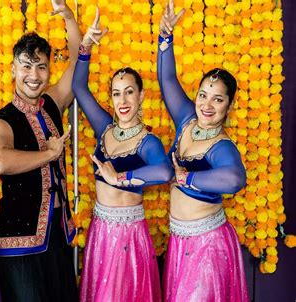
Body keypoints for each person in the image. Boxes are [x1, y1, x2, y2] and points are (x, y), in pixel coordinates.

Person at [72, 8, 173, 302]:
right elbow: (79, 87)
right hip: (101, 230)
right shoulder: (104, 128)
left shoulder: (148, 142)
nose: (123, 100)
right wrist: (87, 45)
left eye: (129, 92)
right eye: (116, 93)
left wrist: (121, 176)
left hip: (130, 233)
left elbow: (165, 172)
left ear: (141, 96)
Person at [0, 1, 81, 301]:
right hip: (19, 240)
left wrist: (68, 16)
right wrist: (48, 155)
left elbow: (79, 64)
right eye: (26, 66)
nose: (34, 74)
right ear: (13, 69)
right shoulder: (3, 121)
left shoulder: (52, 103)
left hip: (58, 233)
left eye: (41, 66)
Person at [157, 1, 249, 301]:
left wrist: (189, 180)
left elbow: (235, 179)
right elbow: (167, 80)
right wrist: (165, 38)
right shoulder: (186, 119)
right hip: (180, 244)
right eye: (203, 95)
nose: (207, 105)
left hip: (207, 246)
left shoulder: (221, 146)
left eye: (218, 100)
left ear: (229, 105)